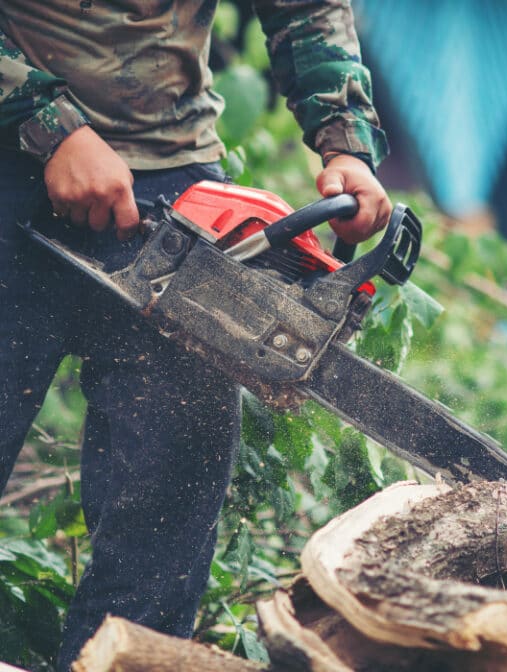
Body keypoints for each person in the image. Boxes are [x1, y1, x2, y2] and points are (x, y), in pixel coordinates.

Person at [0, 1, 391, 669]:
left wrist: (344, 138)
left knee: (162, 523)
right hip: (9, 161)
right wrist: (46, 122)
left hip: (175, 183)